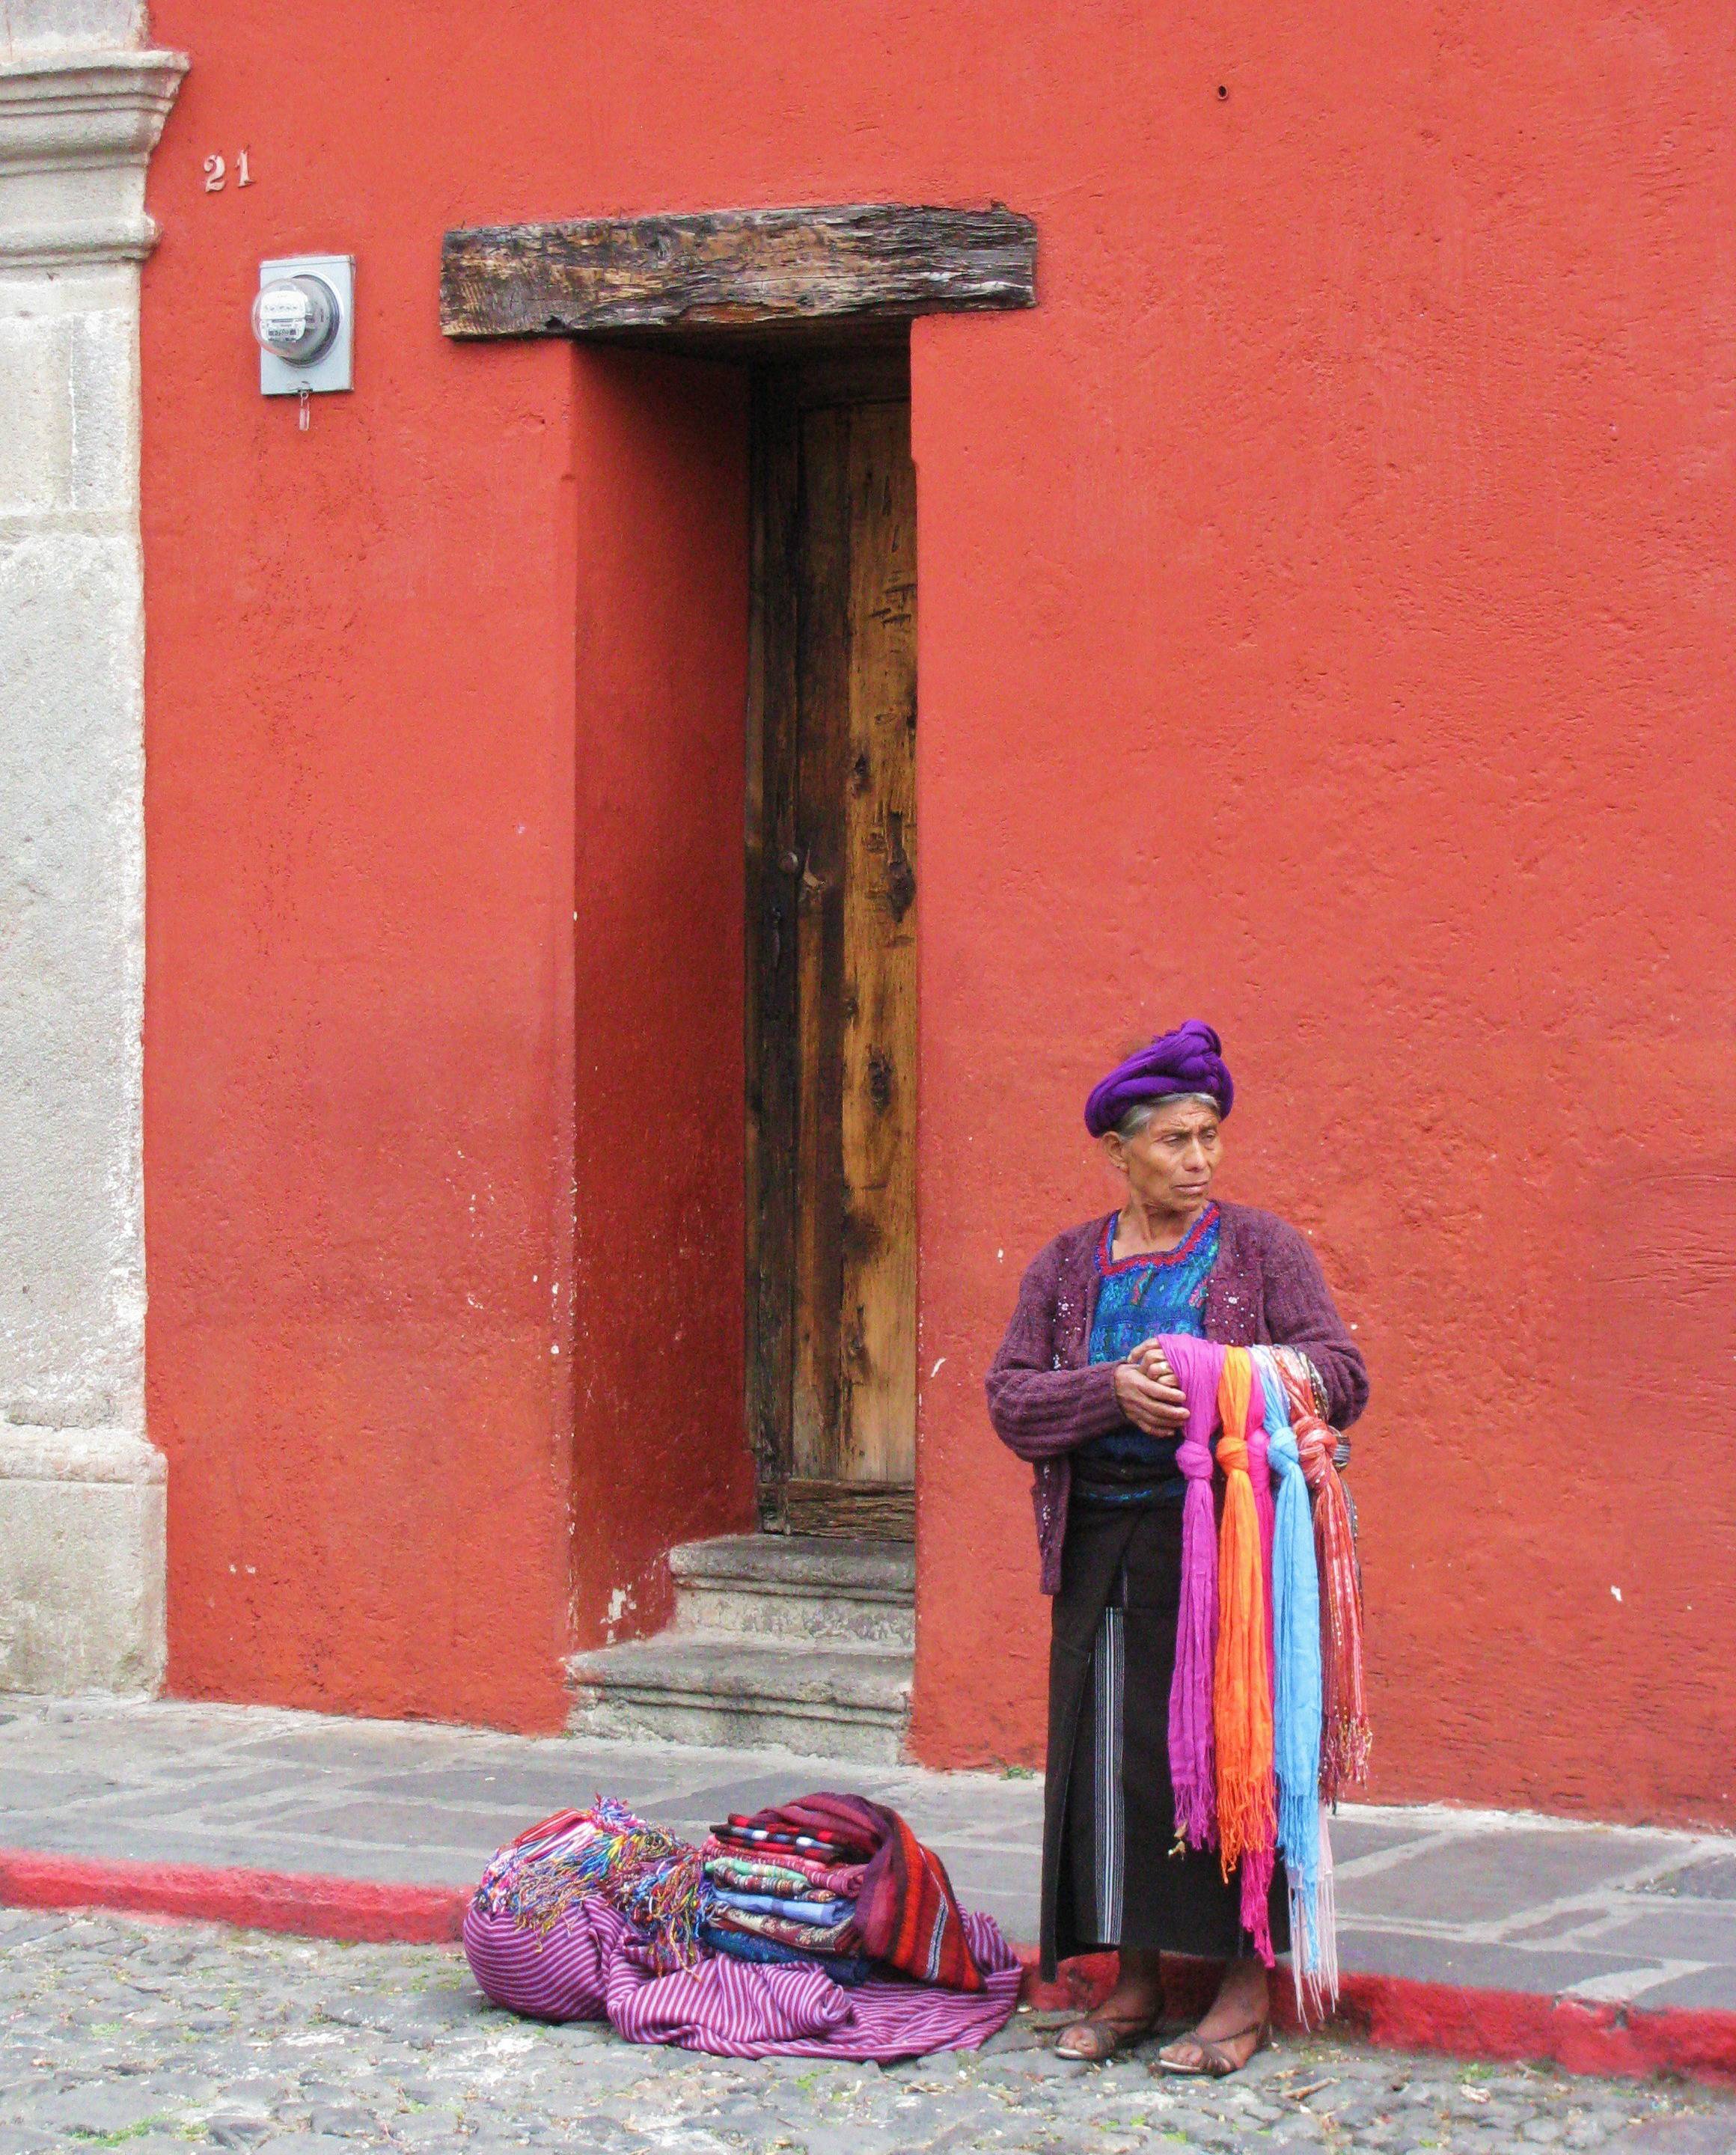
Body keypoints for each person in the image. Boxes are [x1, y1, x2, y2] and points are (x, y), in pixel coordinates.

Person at [985, 1021, 1367, 2073]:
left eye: (1209, 1139)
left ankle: (1245, 1990)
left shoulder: (1262, 1252)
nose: (1198, 1162)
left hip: (1231, 1561)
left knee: (1232, 1755)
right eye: (1174, 1143)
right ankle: (1138, 1981)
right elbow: (1011, 1400)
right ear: (1117, 1150)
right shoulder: (1068, 1266)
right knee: (1116, 1768)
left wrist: (1216, 1374)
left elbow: (1344, 1373)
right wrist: (1110, 1390)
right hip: (1107, 1547)